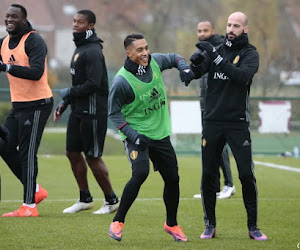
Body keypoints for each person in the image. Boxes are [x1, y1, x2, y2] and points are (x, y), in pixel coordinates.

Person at [108, 33, 194, 242]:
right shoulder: (122, 82)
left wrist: (184, 67)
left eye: (146, 48)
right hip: (137, 137)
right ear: (128, 54)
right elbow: (114, 113)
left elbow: (174, 57)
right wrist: (133, 136)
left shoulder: (155, 61)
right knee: (140, 174)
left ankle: (171, 224)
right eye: (139, 50)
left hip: (160, 135)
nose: (145, 53)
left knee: (173, 178)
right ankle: (118, 221)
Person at [190, 12, 267, 241]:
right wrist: (191, 64)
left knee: (245, 174)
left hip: (237, 122)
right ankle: (209, 225)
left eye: (236, 25)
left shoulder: (250, 53)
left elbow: (242, 77)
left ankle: (253, 227)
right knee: (208, 175)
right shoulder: (217, 50)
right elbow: (196, 72)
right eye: (229, 24)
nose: (231, 28)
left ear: (246, 28)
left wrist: (216, 59)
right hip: (212, 121)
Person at [54, 10, 119, 215]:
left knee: (92, 157)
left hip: (92, 112)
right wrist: (65, 102)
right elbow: (80, 83)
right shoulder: (80, 48)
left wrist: (68, 92)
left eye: (80, 22)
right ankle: (85, 198)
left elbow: (93, 84)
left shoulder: (92, 51)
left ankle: (111, 201)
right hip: (78, 110)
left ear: (90, 25)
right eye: (74, 21)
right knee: (72, 153)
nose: (75, 25)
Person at [0, 4, 53, 217]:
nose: (9, 19)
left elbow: (36, 72)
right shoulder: (3, 42)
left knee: (27, 153)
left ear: (24, 19)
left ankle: (29, 206)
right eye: (7, 16)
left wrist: (6, 67)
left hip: (38, 104)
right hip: (18, 105)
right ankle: (36, 190)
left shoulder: (34, 40)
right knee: (4, 145)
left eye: (14, 16)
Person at [191, 20, 235, 200]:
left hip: (220, 105)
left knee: (220, 145)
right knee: (209, 146)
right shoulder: (201, 49)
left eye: (205, 30)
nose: (201, 33)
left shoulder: (221, 47)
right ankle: (214, 188)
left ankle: (229, 184)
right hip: (206, 103)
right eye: (199, 30)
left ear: (213, 31)